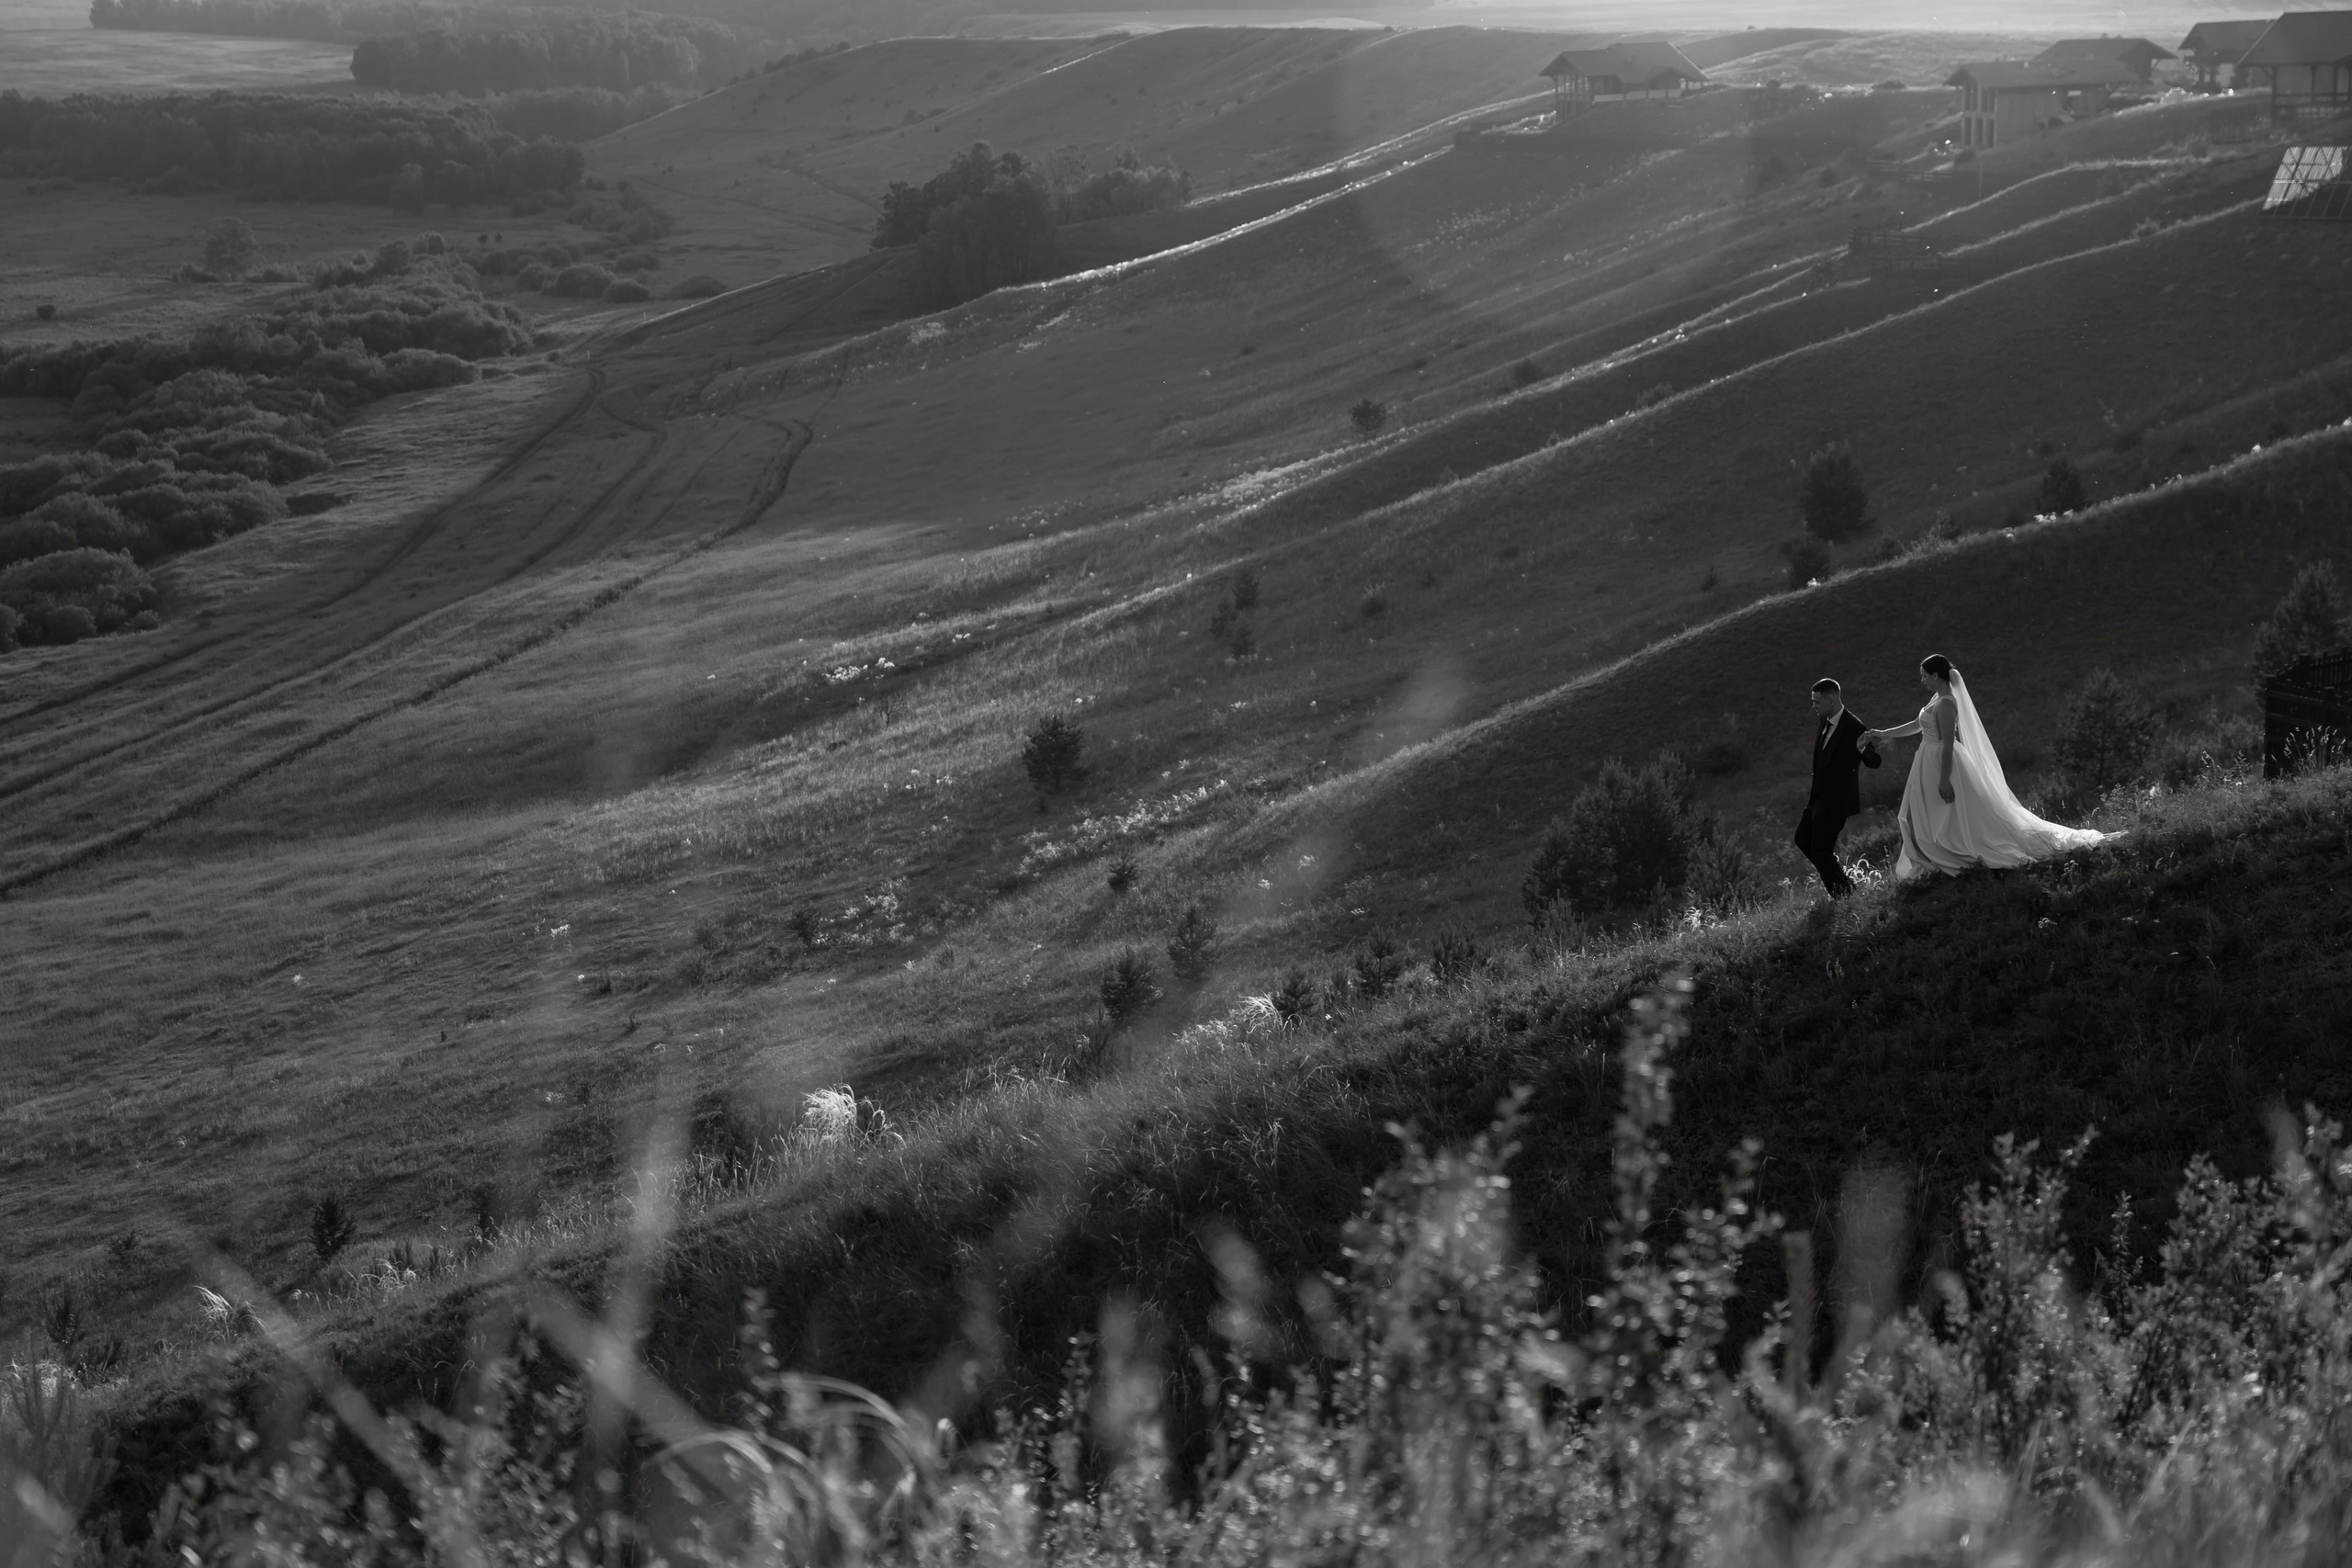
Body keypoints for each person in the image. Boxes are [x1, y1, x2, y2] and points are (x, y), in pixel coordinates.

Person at [1862, 654, 2113, 883]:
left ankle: (1947, 853)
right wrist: (1883, 734)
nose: (1922, 680)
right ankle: (1932, 854)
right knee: (1919, 812)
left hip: (1940, 761)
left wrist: (1944, 779)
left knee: (1947, 812)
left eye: (1924, 675)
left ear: (1936, 676)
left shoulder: (1947, 704)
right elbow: (1917, 725)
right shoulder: (1936, 699)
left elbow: (1948, 743)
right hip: (1926, 760)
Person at [1792, 677, 1881, 897]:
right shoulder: (1825, 719)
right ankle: (1845, 885)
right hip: (1818, 798)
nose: (1813, 706)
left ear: (1832, 700)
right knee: (1802, 839)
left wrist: (1861, 749)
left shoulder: (1853, 726)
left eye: (1817, 702)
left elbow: (1875, 761)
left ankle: (1844, 895)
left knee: (1821, 851)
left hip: (1836, 801)